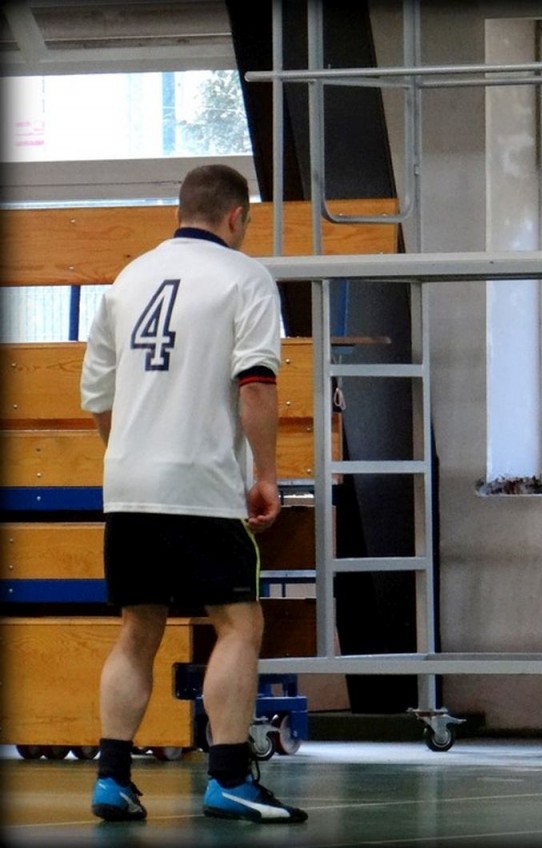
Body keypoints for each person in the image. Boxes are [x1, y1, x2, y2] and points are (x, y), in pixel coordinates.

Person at [80, 164, 306, 824]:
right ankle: (229, 778)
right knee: (239, 623)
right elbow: (256, 384)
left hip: (129, 487)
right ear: (236, 217)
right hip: (202, 484)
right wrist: (266, 475)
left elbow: (98, 400)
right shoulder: (245, 278)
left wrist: (134, 459)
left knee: (138, 628)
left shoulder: (127, 280)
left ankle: (112, 778)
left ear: (181, 210)